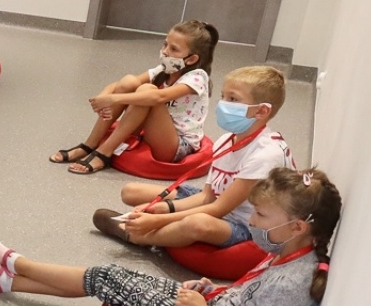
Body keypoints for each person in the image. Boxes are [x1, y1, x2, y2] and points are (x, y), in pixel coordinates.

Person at [0, 167, 340, 306]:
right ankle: (5, 281)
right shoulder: (284, 249)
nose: (253, 221)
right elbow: (250, 300)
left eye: (260, 215)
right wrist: (212, 291)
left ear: (297, 227)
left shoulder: (294, 282)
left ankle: (14, 264)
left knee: (106, 276)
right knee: (123, 278)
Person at [93, 65, 295, 249]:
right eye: (223, 96)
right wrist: (164, 208)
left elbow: (218, 209)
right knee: (131, 191)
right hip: (218, 202)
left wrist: (159, 220)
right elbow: (207, 196)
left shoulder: (266, 154)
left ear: (261, 111)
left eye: (233, 99)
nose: (223, 104)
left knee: (196, 223)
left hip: (246, 224)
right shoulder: (226, 140)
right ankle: (157, 229)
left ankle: (138, 237)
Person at [51, 20, 215, 175]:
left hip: (178, 144)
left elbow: (159, 97)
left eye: (174, 49)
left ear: (192, 59)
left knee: (147, 91)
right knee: (129, 81)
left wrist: (115, 99)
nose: (165, 51)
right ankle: (89, 145)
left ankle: (104, 153)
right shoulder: (164, 69)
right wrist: (105, 94)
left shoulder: (198, 77)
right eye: (165, 44)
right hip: (155, 131)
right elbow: (124, 84)